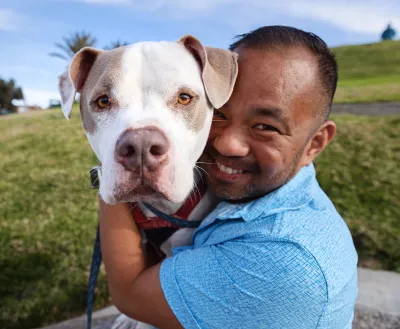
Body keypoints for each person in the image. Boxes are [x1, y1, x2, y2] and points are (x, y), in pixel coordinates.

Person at [99, 26, 358, 329]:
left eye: (265, 127)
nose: (227, 144)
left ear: (314, 144)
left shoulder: (279, 265)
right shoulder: (269, 189)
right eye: (219, 113)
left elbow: (130, 294)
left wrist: (115, 170)